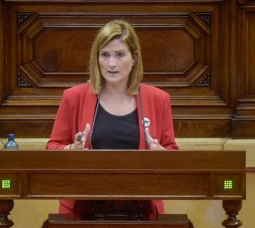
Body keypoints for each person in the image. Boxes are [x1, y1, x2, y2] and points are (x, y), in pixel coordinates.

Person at [46, 19, 179, 217]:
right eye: (105, 55)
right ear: (96, 59)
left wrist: (160, 154)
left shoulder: (158, 99)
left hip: (141, 211)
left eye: (120, 55)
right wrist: (71, 150)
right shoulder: (73, 97)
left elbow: (173, 156)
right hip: (85, 211)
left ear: (134, 58)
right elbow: (52, 149)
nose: (111, 64)